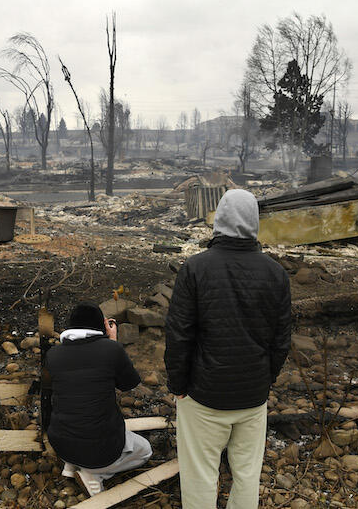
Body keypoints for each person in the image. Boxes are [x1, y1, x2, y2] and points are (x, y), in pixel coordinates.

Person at [165, 189, 291, 509]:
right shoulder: (276, 273)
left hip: (204, 396)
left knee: (200, 475)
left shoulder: (195, 268)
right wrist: (266, 379)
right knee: (248, 474)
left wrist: (178, 385)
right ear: (254, 223)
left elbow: (179, 335)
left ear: (218, 220)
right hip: (252, 396)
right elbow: (281, 340)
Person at [45, 301, 153, 495]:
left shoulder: (53, 354)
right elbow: (129, 383)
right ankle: (95, 474)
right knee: (145, 450)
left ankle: (71, 465)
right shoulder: (110, 350)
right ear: (100, 326)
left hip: (60, 442)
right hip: (101, 450)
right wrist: (113, 342)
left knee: (75, 410)